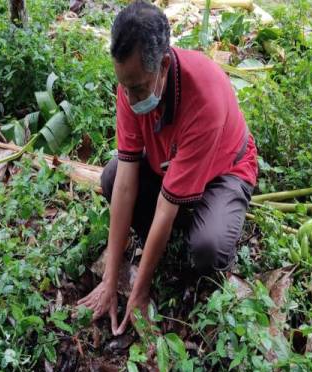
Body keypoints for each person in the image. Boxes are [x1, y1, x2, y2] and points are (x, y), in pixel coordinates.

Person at [77, 1, 258, 336]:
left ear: (163, 65)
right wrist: (109, 280)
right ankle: (181, 224)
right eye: (124, 86)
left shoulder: (205, 98)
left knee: (208, 249)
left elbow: (165, 208)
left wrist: (139, 291)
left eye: (138, 88)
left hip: (224, 171)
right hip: (169, 167)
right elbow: (127, 184)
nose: (130, 99)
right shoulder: (133, 79)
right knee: (112, 176)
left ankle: (202, 216)